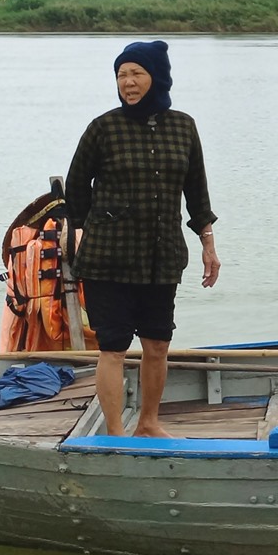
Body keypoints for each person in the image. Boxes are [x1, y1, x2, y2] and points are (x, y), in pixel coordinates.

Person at [65, 40, 220, 438]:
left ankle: (149, 423)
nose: (128, 83)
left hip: (161, 255)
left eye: (136, 73)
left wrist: (208, 243)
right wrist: (79, 231)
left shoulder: (183, 126)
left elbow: (196, 192)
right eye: (121, 75)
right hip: (108, 258)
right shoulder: (103, 128)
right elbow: (76, 188)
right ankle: (116, 432)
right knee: (113, 347)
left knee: (157, 343)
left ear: (158, 77)